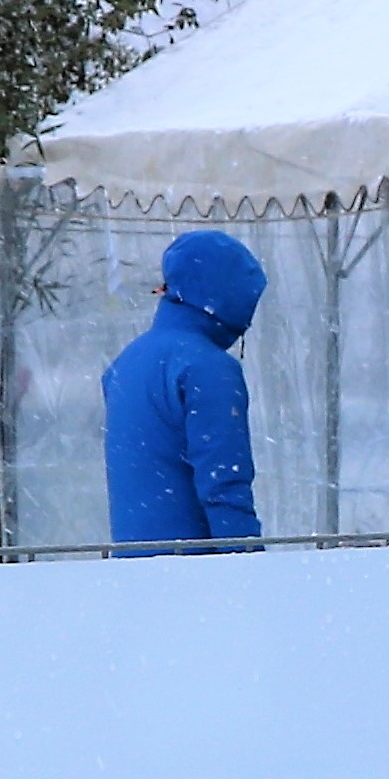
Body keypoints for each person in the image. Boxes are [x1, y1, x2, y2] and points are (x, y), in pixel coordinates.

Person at [99, 228, 267, 548]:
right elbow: (224, 485)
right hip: (196, 576)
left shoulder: (127, 362)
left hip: (133, 568)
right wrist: (248, 566)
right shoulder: (207, 368)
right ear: (228, 296)